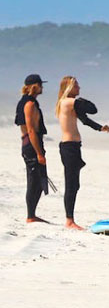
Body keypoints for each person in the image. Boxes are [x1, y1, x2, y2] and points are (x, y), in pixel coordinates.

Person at [55, 75, 109, 230]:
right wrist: (81, 99)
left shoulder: (67, 103)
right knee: (71, 184)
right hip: (69, 147)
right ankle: (69, 221)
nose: (79, 88)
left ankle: (70, 219)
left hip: (72, 147)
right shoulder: (69, 102)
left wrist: (100, 128)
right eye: (76, 85)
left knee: (75, 184)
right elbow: (93, 109)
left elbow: (85, 120)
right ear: (68, 87)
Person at [15, 74, 50, 223]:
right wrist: (39, 153)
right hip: (31, 144)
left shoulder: (29, 102)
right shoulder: (29, 104)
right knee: (34, 180)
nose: (42, 87)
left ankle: (32, 214)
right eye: (40, 85)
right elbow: (30, 130)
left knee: (40, 181)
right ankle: (30, 216)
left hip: (32, 143)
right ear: (34, 86)